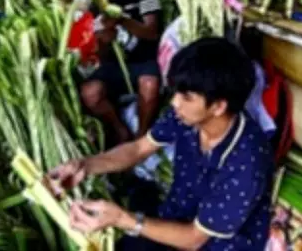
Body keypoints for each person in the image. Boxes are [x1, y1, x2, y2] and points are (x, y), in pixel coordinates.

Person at [49, 38, 274, 251]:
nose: (175, 102)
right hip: (175, 218)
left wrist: (123, 219)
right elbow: (138, 149)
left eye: (186, 97)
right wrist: (85, 166)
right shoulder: (185, 117)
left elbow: (195, 239)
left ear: (218, 107)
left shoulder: (247, 160)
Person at [82, 0, 162, 144]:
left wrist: (122, 21)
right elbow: (97, 54)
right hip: (115, 66)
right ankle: (120, 131)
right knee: (90, 94)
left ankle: (142, 136)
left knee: (150, 85)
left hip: (144, 59)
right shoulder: (93, 6)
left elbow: (152, 32)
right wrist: (103, 42)